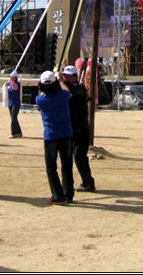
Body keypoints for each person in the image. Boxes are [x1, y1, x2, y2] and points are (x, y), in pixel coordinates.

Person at [35, 71, 74, 205]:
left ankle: (58, 195)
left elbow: (42, 93)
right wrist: (61, 80)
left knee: (51, 167)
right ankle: (68, 194)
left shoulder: (40, 99)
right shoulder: (63, 96)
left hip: (51, 136)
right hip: (66, 134)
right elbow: (66, 90)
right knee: (67, 166)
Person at [60, 65, 96, 193]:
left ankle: (88, 182)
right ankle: (83, 182)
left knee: (79, 157)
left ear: (75, 76)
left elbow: (75, 90)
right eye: (65, 75)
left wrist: (63, 81)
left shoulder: (79, 88)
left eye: (68, 75)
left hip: (81, 129)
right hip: (71, 128)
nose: (65, 77)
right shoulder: (65, 88)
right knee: (70, 157)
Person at [5, 71, 23, 138]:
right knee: (14, 118)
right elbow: (3, 90)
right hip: (10, 103)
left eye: (11, 77)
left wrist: (12, 81)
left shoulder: (17, 84)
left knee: (13, 118)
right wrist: (5, 85)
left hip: (16, 103)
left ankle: (14, 133)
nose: (10, 78)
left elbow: (15, 88)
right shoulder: (9, 84)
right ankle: (19, 132)